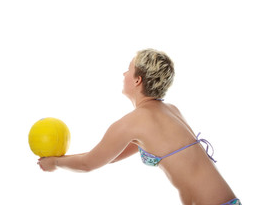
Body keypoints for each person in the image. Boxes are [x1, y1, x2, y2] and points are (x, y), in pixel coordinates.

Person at [37, 48, 241, 205]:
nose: (124, 73)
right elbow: (107, 157)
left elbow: (88, 164)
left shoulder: (132, 123)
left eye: (129, 68)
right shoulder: (171, 111)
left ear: (137, 80)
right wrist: (57, 159)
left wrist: (54, 164)